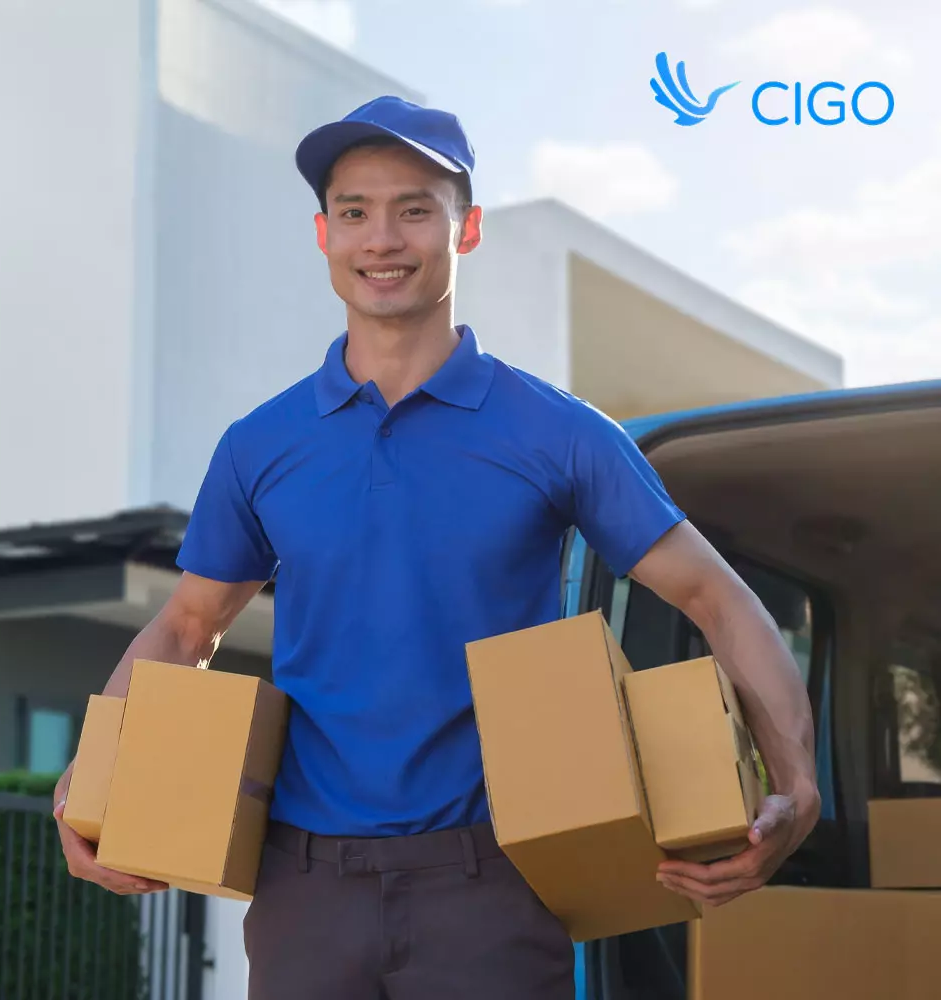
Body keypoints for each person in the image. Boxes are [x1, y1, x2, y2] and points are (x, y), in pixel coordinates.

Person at [52, 96, 820, 999]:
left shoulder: (558, 433)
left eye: (415, 208)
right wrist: (90, 779)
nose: (383, 238)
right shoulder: (260, 445)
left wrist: (798, 781)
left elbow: (714, 598)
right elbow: (185, 630)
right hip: (303, 888)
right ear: (323, 234)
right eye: (355, 213)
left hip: (497, 882)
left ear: (468, 229)